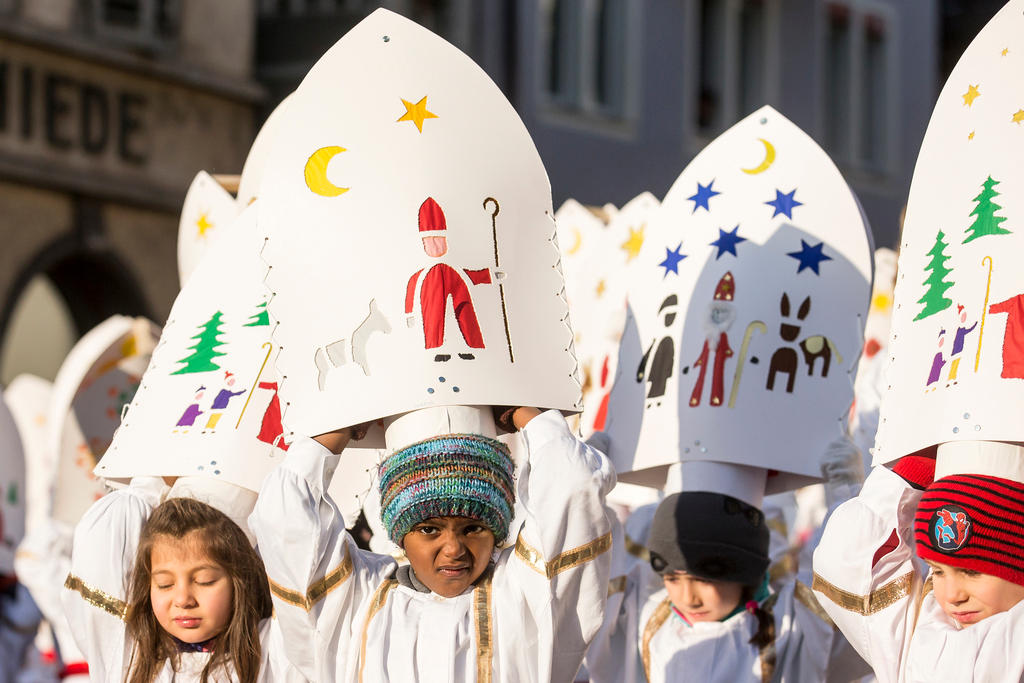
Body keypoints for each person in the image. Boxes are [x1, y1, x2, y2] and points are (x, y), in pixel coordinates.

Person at [251, 406, 615, 682]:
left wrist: (526, 415)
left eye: (473, 527)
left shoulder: (525, 598)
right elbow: (284, 521)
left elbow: (574, 488)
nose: (453, 548)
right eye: (429, 530)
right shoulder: (357, 606)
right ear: (400, 535)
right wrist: (338, 426)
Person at [589, 438, 868, 683]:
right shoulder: (642, 620)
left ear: (744, 572)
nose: (688, 597)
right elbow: (589, 585)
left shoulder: (789, 631)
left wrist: (846, 498)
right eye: (672, 578)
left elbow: (839, 590)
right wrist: (585, 496)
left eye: (705, 578)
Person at [812, 445, 1024, 681]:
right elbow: (851, 565)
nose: (953, 596)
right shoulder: (925, 637)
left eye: (973, 572)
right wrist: (908, 474)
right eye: (938, 571)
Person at [61, 481, 301, 682]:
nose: (183, 599)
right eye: (165, 584)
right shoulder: (131, 658)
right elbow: (100, 549)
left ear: (241, 579)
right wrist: (155, 480)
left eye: (205, 581)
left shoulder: (273, 653)